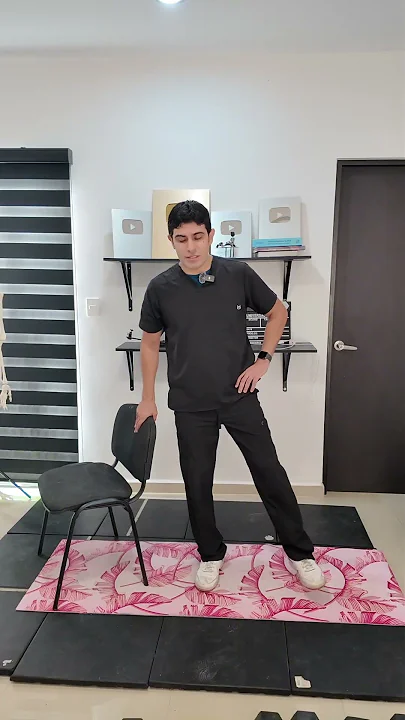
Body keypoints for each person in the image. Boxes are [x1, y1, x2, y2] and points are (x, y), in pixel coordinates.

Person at [135, 200, 325, 593]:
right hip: (190, 403)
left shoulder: (237, 274)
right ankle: (210, 554)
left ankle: (300, 552)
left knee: (269, 472)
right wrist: (147, 398)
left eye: (197, 237)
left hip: (239, 396)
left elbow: (278, 312)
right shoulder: (160, 288)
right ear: (171, 241)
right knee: (197, 482)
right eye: (182, 239)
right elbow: (150, 344)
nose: (191, 247)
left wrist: (263, 360)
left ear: (210, 235)